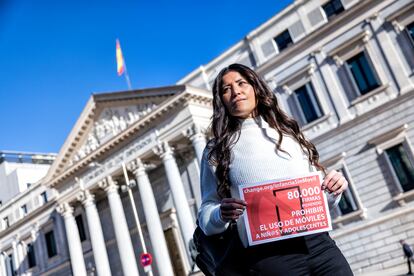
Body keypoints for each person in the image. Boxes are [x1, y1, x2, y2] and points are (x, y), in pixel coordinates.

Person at [197, 63, 354, 275]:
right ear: (221, 100)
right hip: (269, 257)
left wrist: (334, 189)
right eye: (226, 89)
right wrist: (220, 215)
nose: (235, 91)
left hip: (318, 244)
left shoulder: (289, 133)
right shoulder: (215, 150)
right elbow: (206, 216)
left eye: (241, 83)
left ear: (255, 88)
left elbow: (319, 200)